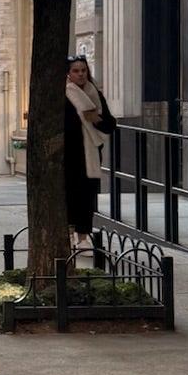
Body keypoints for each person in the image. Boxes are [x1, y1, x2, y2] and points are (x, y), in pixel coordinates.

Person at [63, 54, 115, 247]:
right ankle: (68, 234)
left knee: (87, 196)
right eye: (76, 71)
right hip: (69, 155)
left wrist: (96, 119)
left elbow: (110, 124)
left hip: (90, 154)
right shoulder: (64, 95)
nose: (80, 74)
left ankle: (83, 238)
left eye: (83, 70)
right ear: (68, 74)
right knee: (70, 195)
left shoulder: (95, 94)